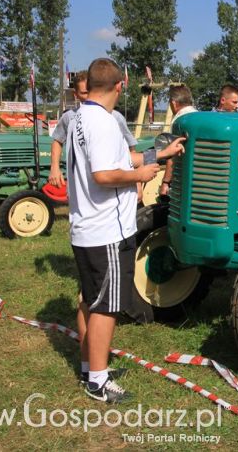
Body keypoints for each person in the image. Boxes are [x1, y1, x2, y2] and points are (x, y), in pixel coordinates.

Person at [68, 58, 184, 403]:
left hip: (85, 226)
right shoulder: (103, 123)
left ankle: (92, 367)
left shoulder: (80, 117)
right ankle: (98, 383)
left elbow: (119, 158)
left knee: (89, 300)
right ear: (120, 86)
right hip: (105, 229)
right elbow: (104, 175)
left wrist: (159, 155)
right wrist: (141, 176)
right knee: (107, 306)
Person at [48, 71, 137, 188]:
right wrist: (55, 167)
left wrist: (137, 181)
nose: (89, 96)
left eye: (90, 92)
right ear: (76, 94)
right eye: (84, 93)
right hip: (80, 183)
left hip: (110, 181)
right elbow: (57, 141)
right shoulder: (69, 117)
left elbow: (131, 149)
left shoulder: (115, 117)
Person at [159, 85, 197, 197]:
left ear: (174, 103)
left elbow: (172, 155)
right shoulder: (197, 116)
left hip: (182, 178)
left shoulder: (178, 121)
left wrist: (165, 182)